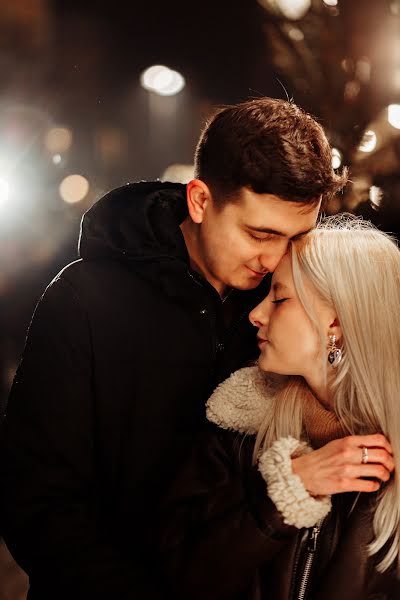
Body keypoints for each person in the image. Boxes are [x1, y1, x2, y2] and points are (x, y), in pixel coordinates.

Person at [0, 98, 345, 600]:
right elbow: (37, 499)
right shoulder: (84, 301)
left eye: (293, 239)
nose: (273, 260)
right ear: (201, 200)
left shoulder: (286, 311)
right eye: (259, 234)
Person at [158, 216, 400, 600]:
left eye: (280, 298)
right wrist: (286, 492)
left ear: (334, 322)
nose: (256, 314)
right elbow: (174, 575)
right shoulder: (237, 431)